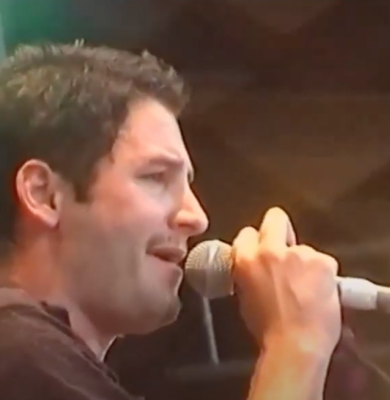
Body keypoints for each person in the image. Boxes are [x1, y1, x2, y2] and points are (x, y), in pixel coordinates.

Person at [0, 42, 341, 400]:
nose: (196, 218)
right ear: (44, 194)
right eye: (156, 177)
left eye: (187, 184)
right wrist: (297, 343)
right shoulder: (19, 354)